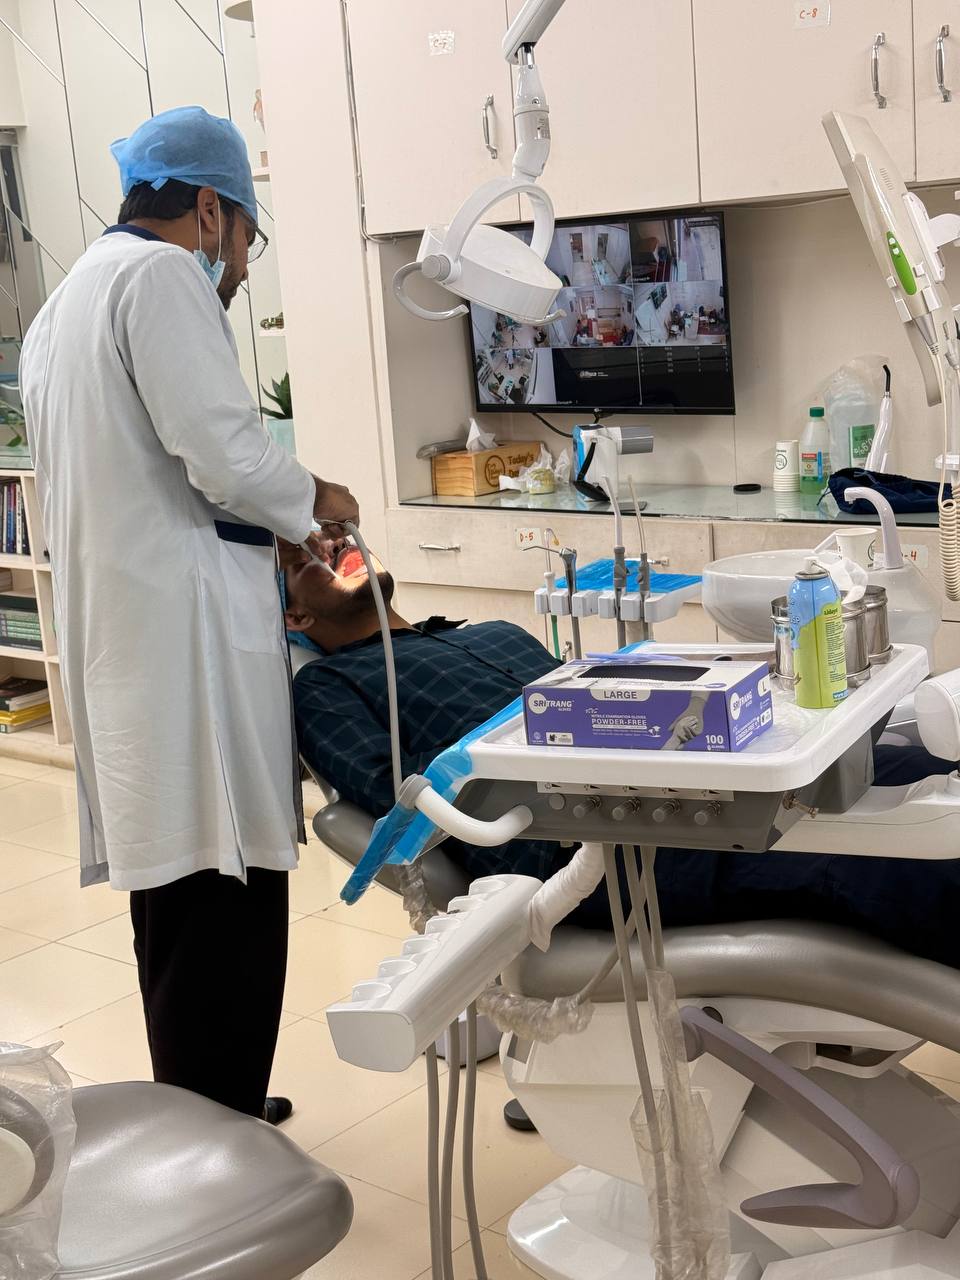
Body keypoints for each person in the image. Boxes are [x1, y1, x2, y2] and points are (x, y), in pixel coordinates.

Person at [18, 106, 358, 1125]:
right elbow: (223, 453)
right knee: (222, 905)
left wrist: (273, 529)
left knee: (176, 912)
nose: (241, 266)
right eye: (246, 235)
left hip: (130, 644)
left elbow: (151, 473)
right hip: (187, 655)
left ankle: (208, 1112)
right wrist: (320, 502)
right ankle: (219, 1135)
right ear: (210, 210)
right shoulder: (164, 277)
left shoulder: (66, 302)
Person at [285, 543, 960, 972]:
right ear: (296, 620)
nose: (330, 545)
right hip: (599, 837)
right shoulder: (326, 685)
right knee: (879, 862)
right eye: (303, 559)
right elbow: (402, 806)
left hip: (694, 780)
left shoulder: (492, 631)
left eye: (330, 535)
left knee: (920, 774)